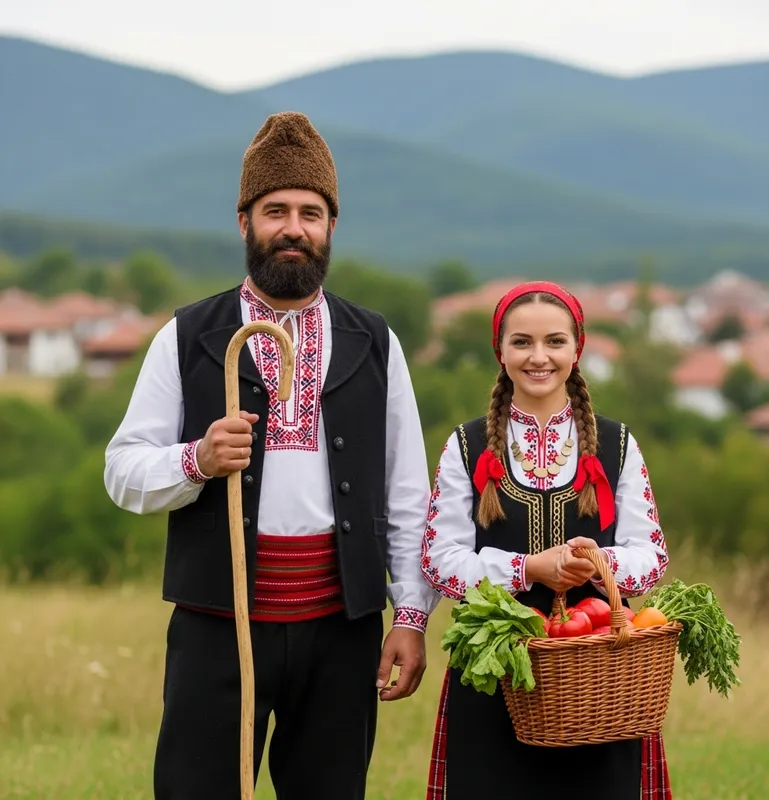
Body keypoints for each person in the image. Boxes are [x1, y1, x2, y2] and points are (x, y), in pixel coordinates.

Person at [103, 111, 440, 800]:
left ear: (331, 228)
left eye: (310, 213)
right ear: (244, 222)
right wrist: (195, 460)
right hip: (218, 626)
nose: (293, 227)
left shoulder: (375, 341)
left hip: (341, 631)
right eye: (275, 210)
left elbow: (407, 493)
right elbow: (123, 471)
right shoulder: (188, 335)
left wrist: (409, 617)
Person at [421, 281, 672, 800]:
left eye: (555, 342)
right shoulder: (465, 446)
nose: (539, 357)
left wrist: (594, 560)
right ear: (500, 351)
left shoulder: (617, 443)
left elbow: (651, 557)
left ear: (577, 349)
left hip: (598, 673)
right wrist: (526, 570)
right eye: (522, 342)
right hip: (492, 670)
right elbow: (439, 560)